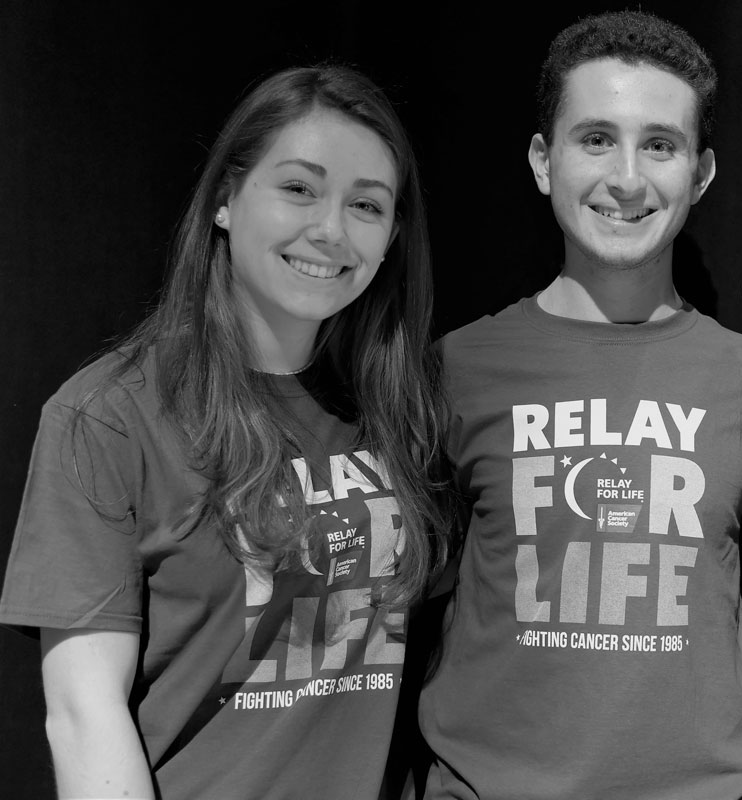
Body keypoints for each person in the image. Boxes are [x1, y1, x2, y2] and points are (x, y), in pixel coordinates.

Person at [0, 64, 447, 799]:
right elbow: (82, 716)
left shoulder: (405, 411)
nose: (330, 230)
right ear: (224, 201)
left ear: (393, 234)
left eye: (366, 205)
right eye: (299, 188)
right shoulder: (109, 417)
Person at [416, 11, 742, 800]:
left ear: (702, 172)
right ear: (543, 161)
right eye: (595, 139)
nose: (627, 177)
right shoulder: (454, 370)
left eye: (660, 144)